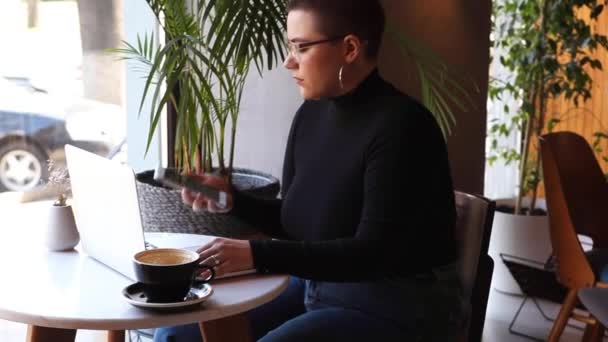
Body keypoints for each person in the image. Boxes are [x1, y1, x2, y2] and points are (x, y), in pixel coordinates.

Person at [154, 0, 463, 341]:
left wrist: (256, 254)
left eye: (301, 47)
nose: (289, 61)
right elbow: (298, 220)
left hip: (394, 304)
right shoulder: (311, 116)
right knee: (174, 335)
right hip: (318, 286)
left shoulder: (403, 127)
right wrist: (232, 200)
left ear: (349, 48)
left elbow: (374, 253)